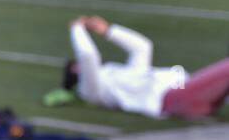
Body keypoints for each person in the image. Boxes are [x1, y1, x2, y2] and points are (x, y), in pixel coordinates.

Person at [65, 16, 229, 119]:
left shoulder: (120, 76)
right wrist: (77, 29)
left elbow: (142, 47)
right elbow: (88, 56)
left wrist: (108, 30)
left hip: (183, 88)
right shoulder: (89, 90)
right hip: (172, 98)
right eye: (75, 65)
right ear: (75, 72)